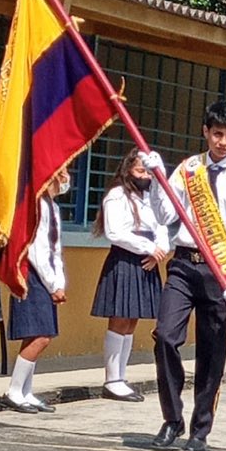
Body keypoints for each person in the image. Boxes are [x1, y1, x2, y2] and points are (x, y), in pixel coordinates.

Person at [141, 100, 226, 451]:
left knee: (212, 355)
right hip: (184, 264)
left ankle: (200, 430)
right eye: (217, 134)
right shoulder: (189, 169)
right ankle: (172, 419)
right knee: (165, 336)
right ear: (205, 132)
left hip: (222, 273)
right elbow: (167, 213)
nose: (223, 142)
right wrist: (156, 179)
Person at [90, 147, 169, 401]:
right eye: (139, 170)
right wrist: (147, 248)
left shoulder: (150, 196)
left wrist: (160, 250)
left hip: (147, 261)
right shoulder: (117, 195)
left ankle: (121, 376)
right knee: (120, 318)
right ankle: (112, 379)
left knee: (132, 320)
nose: (144, 175)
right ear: (127, 170)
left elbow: (163, 226)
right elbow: (115, 232)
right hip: (126, 259)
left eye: (148, 170)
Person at [1, 168, 70, 413]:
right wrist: (53, 284)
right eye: (62, 172)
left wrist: (59, 282)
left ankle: (25, 391)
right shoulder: (37, 205)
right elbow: (39, 250)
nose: (65, 178)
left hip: (45, 276)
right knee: (41, 335)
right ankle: (14, 391)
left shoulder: (52, 205)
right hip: (32, 274)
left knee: (38, 335)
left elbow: (55, 249)